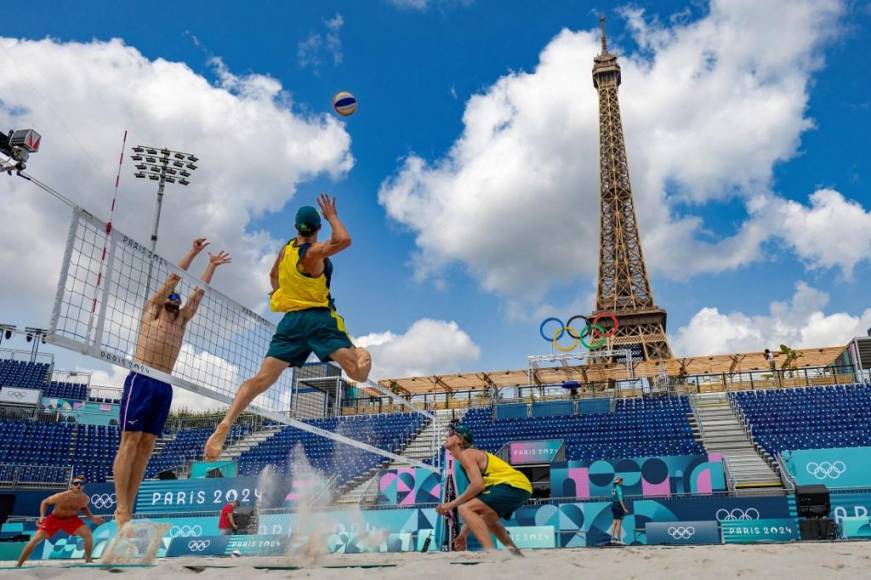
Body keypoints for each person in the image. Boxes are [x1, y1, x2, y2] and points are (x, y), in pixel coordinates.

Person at [204, 194, 371, 460]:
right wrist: (332, 217)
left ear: (296, 228)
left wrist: (281, 295)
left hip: (291, 322)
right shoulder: (312, 253)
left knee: (260, 380)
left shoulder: (287, 249)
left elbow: (272, 275)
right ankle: (362, 352)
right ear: (316, 229)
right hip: (317, 319)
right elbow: (344, 240)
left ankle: (227, 420)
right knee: (359, 373)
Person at [111, 238, 231, 529]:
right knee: (130, 442)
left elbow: (198, 295)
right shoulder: (151, 312)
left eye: (177, 301)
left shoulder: (181, 321)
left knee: (148, 444)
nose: (175, 302)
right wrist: (193, 252)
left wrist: (211, 266)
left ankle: (131, 503)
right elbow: (174, 277)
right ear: (164, 302)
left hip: (163, 384)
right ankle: (121, 509)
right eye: (172, 299)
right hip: (142, 377)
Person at [436, 424, 531, 556]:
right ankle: (516, 554)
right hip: (521, 488)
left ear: (459, 440)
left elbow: (477, 486)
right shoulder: (469, 458)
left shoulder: (466, 455)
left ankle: (491, 552)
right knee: (488, 520)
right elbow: (476, 501)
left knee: (465, 508)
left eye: (451, 433)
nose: (447, 435)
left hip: (512, 485)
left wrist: (449, 505)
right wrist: (463, 535)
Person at [16, 476, 104, 567]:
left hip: (71, 519)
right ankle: (19, 563)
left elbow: (83, 507)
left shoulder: (85, 499)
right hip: (54, 519)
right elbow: (45, 502)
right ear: (71, 486)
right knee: (35, 539)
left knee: (88, 534)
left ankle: (88, 559)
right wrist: (42, 516)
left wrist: (92, 517)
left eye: (81, 484)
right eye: (76, 483)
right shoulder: (60, 496)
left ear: (83, 486)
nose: (78, 485)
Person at [608, 475, 629, 544]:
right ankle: (619, 540)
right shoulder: (618, 488)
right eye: (621, 480)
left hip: (613, 505)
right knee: (619, 524)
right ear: (618, 481)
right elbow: (620, 499)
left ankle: (612, 539)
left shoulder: (613, 488)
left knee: (614, 523)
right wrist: (624, 508)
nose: (622, 481)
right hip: (618, 506)